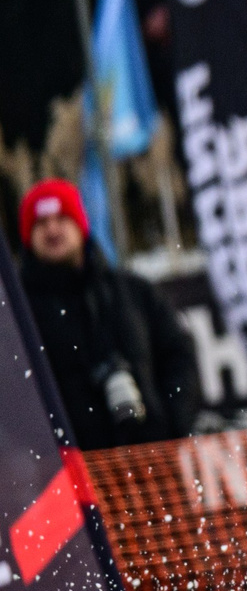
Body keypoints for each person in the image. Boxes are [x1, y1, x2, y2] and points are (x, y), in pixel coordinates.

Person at [15, 180, 200, 449]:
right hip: (69, 477)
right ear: (28, 237)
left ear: (81, 225)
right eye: (41, 223)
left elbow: (179, 356)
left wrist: (172, 421)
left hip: (154, 463)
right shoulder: (19, 315)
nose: (52, 229)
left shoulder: (134, 291)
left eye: (62, 218)